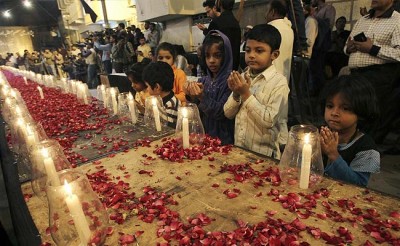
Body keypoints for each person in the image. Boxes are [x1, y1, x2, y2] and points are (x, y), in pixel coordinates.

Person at [223, 24, 289, 159]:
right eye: (248, 50)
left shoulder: (279, 82)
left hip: (264, 155)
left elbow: (269, 121)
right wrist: (236, 93)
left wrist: (245, 94)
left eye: (259, 51)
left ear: (274, 55)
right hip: (240, 149)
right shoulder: (242, 77)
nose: (251, 55)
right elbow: (228, 113)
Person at [344, 0, 400, 144]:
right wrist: (348, 48)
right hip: (356, 75)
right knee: (354, 116)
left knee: (371, 119)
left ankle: (367, 157)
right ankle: (351, 151)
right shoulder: (363, 20)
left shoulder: (397, 20)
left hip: (377, 76)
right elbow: (346, 46)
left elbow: (399, 54)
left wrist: (372, 48)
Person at [319, 75, 380, 187]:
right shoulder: (319, 134)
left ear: (361, 112)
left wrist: (333, 154)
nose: (334, 113)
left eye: (345, 108)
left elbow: (359, 185)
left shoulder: (367, 149)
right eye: (330, 106)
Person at [184, 30, 235, 145]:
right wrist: (190, 95)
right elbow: (194, 109)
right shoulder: (204, 80)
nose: (211, 60)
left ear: (226, 56)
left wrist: (202, 96)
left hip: (224, 139)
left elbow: (221, 113)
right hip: (205, 136)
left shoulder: (231, 81)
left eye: (217, 56)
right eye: (207, 56)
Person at [143, 61, 180, 128]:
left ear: (157, 87)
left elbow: (166, 128)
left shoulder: (171, 105)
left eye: (147, 86)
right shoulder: (160, 100)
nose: (147, 89)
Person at [265, 0, 294, 83]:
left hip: (269, 79)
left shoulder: (270, 29)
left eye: (267, 10)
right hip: (284, 79)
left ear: (273, 12)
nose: (265, 14)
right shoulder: (289, 28)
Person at [214, 0, 241, 71]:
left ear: (219, 2)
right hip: (234, 68)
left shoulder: (216, 22)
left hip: (219, 69)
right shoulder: (236, 23)